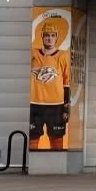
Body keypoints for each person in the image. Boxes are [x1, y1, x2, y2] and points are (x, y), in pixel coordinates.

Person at [29, 15, 71, 150]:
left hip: (56, 105)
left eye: (53, 35)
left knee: (57, 140)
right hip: (35, 104)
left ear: (56, 37)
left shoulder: (62, 56)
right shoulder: (33, 54)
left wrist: (66, 107)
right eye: (47, 35)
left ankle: (57, 168)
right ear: (42, 36)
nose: (50, 38)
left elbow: (67, 83)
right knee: (33, 139)